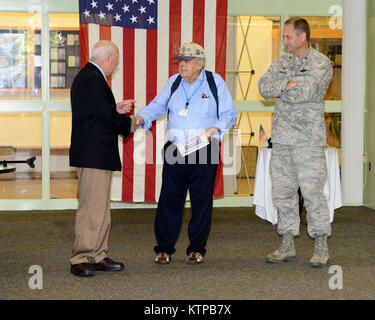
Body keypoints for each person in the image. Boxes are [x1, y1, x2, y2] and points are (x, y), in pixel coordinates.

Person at [133, 42, 238, 265]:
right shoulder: (173, 82)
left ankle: (196, 249)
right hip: (176, 150)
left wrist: (215, 129)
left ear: (199, 64)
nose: (182, 65)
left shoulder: (214, 82)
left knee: (201, 201)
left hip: (204, 150)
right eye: (180, 61)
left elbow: (229, 114)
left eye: (187, 61)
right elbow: (157, 105)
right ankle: (164, 249)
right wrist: (141, 117)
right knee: (170, 200)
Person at [258, 17, 333, 268]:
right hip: (281, 139)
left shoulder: (321, 63)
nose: (285, 41)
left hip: (308, 141)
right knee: (282, 192)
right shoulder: (282, 61)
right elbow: (263, 87)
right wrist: (286, 85)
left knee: (312, 192)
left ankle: (321, 244)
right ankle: (287, 242)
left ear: (303, 37)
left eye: (288, 36)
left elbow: (307, 92)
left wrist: (283, 87)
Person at [69, 40, 136, 277]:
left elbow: (98, 112)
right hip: (93, 153)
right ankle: (80, 258)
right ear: (107, 58)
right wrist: (130, 123)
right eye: (116, 60)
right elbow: (104, 119)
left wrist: (115, 108)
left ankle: (97, 254)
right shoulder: (93, 79)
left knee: (100, 208)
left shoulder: (89, 77)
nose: (116, 65)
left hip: (96, 152)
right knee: (91, 209)